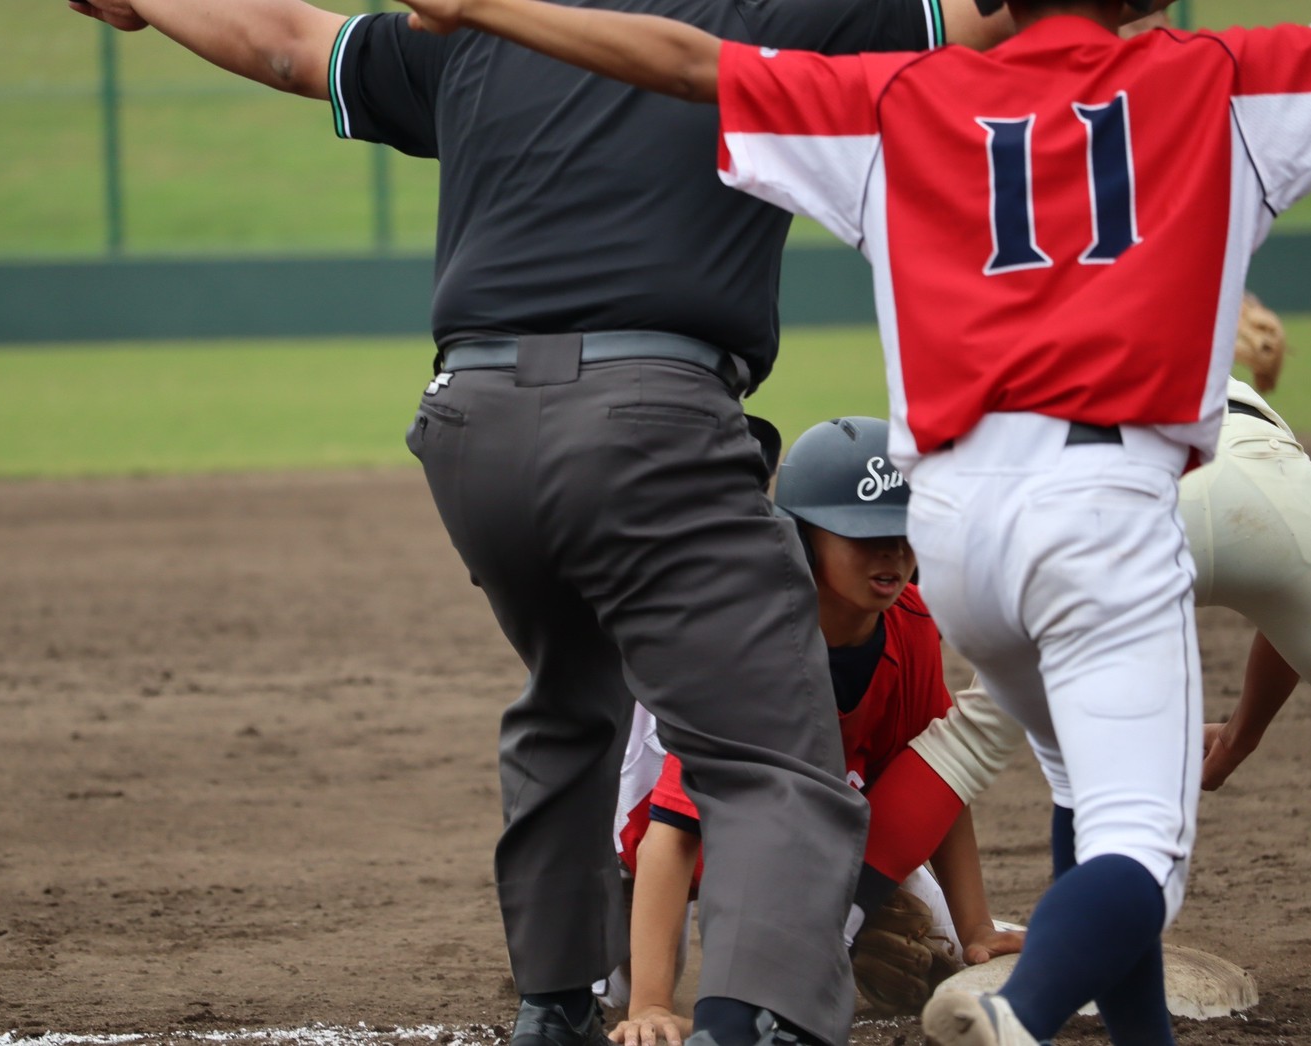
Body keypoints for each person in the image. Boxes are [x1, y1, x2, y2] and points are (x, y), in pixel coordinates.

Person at [361, 0, 1311, 1041]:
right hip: (1106, 511)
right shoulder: (1218, 81)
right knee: (1140, 854)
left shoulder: (902, 95)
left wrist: (482, 9)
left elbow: (685, 62)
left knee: (1076, 783)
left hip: (947, 526)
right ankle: (1023, 1010)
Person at [62, 2, 1019, 1046]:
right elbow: (993, 20)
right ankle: (752, 1022)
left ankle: (555, 1005)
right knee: (770, 752)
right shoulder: (778, 14)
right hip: (651, 423)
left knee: (568, 700)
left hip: (472, 430)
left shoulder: (484, 23)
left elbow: (288, 41)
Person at [602, 418, 1022, 1046]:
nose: (893, 554)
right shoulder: (752, 637)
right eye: (865, 534)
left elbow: (939, 772)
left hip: (814, 814)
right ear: (802, 538)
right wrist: (652, 1003)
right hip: (669, 823)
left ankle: (820, 923)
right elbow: (675, 831)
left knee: (927, 956)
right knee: (608, 988)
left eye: (904, 532)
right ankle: (611, 924)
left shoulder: (911, 622)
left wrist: (976, 927)